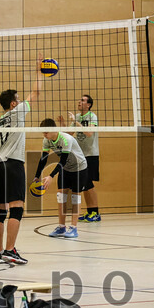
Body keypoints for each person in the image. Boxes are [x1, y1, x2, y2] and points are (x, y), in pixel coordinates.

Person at [0, 54, 44, 265]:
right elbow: (36, 93)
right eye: (19, 98)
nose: (22, 99)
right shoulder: (17, 111)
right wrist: (40, 71)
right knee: (16, 207)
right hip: (14, 163)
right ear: (14, 103)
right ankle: (9, 250)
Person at [35, 118, 89, 239]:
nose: (44, 135)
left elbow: (63, 160)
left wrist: (51, 175)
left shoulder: (66, 139)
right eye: (43, 132)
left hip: (79, 168)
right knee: (61, 196)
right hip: (66, 169)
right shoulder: (47, 140)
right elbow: (43, 159)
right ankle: (61, 226)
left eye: (46, 132)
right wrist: (36, 176)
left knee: (75, 197)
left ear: (54, 129)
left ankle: (74, 228)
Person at [64, 94, 100, 222]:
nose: (79, 102)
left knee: (88, 183)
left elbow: (89, 133)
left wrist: (75, 122)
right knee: (84, 184)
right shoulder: (78, 117)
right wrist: (63, 125)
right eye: (79, 99)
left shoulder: (92, 116)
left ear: (88, 105)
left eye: (83, 100)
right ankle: (90, 211)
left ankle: (95, 212)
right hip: (80, 156)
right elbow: (69, 134)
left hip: (91, 154)